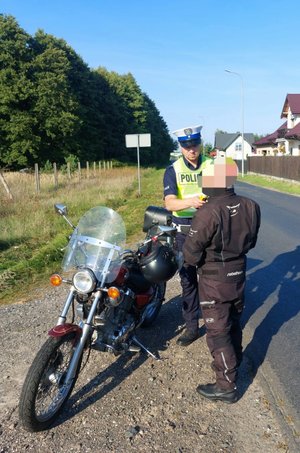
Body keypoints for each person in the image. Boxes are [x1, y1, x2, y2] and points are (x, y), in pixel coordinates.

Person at [182, 156, 261, 403]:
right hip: (239, 272)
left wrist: (194, 258)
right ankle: (233, 362)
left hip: (214, 277)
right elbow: (253, 241)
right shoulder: (251, 205)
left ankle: (226, 385)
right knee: (234, 321)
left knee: (217, 331)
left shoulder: (208, 212)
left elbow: (191, 253)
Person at [163, 125, 213, 346]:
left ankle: (216, 326)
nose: (191, 149)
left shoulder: (213, 165)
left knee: (212, 280)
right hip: (184, 233)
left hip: (211, 231)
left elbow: (229, 194)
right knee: (188, 281)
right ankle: (192, 327)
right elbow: (169, 202)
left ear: (200, 143)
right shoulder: (172, 169)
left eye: (194, 144)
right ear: (181, 147)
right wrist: (191, 203)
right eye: (186, 146)